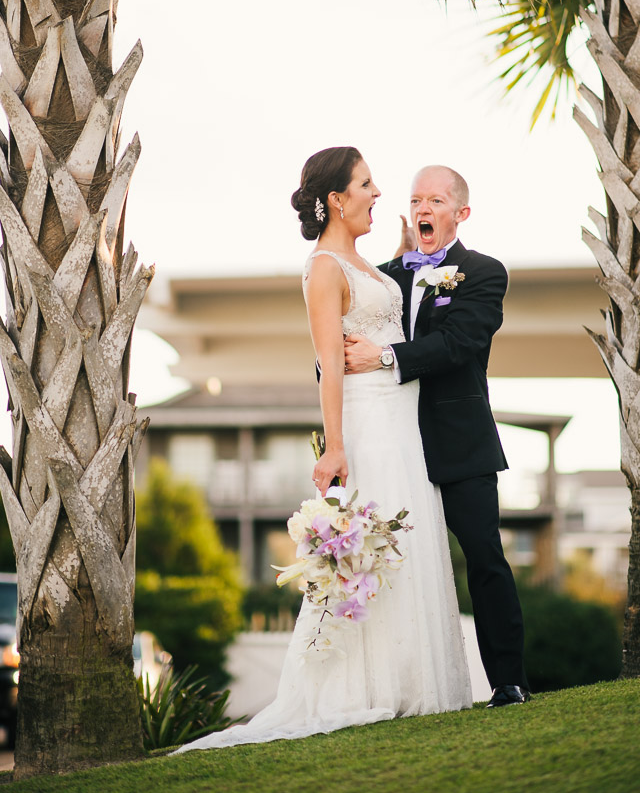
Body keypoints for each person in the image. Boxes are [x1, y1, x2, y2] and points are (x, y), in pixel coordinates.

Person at [173, 148, 470, 756]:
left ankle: (416, 684)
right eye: (366, 184)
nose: (379, 193)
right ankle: (356, 690)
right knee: (368, 557)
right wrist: (336, 447)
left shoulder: (369, 262)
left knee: (405, 547)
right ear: (336, 199)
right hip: (367, 426)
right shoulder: (324, 268)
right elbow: (328, 366)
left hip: (403, 424)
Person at [344, 165, 530, 709]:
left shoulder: (484, 273)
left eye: (436, 200)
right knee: (392, 563)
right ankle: (390, 687)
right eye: (416, 199)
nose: (424, 208)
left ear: (460, 213)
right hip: (390, 441)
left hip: (461, 441)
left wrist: (384, 358)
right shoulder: (382, 278)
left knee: (484, 558)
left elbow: (459, 342)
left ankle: (508, 681)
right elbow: (350, 337)